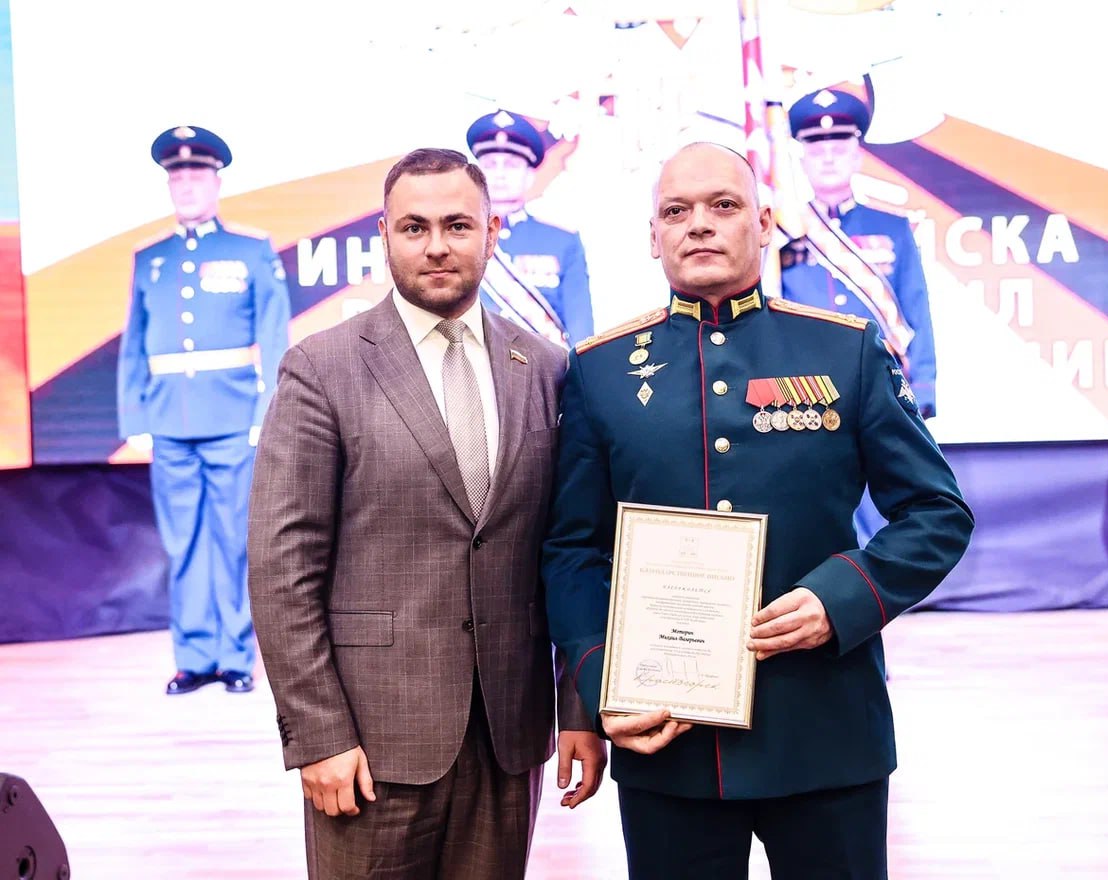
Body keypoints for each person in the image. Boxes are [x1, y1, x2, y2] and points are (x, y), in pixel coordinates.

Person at [542, 142, 973, 879]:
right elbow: (573, 550)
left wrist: (841, 597)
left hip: (825, 734)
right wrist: (596, 679)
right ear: (653, 237)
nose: (698, 224)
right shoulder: (600, 370)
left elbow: (937, 512)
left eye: (724, 205)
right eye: (676, 211)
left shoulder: (844, 352)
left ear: (765, 222)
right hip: (668, 742)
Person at [247, 148, 606, 880]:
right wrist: (317, 734)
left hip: (508, 739)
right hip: (368, 747)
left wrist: (578, 706)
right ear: (385, 235)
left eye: (457, 225)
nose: (437, 245)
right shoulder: (322, 368)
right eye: (414, 227)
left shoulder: (545, 367)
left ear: (491, 232)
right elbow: (284, 569)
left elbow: (572, 549)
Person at [116, 125, 291, 696]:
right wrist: (135, 418)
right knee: (182, 543)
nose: (187, 186)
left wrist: (268, 411)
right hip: (169, 421)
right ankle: (193, 658)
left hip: (233, 419)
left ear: (217, 182)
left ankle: (235, 656)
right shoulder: (151, 259)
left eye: (197, 175)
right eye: (178, 177)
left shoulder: (250, 250)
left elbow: (274, 335)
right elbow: (133, 345)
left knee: (233, 539)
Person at [781, 88, 940, 544]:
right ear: (802, 157)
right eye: (816, 147)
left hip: (877, 384)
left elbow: (916, 307)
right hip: (805, 389)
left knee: (885, 498)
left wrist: (924, 385)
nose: (828, 157)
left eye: (839, 146)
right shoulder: (782, 233)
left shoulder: (892, 227)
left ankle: (878, 580)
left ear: (857, 154)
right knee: (816, 503)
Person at [466, 109, 595, 343]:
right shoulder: (459, 239)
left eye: (511, 165)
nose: (500, 174)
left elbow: (581, 333)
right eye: (491, 164)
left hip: (546, 365)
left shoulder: (563, 241)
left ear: (529, 176)